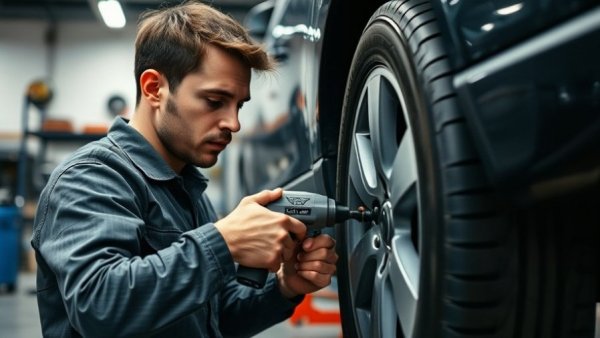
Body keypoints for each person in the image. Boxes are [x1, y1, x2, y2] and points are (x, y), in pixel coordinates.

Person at [30, 2, 338, 337]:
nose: (233, 123)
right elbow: (101, 306)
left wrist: (284, 287)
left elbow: (216, 317)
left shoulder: (187, 189)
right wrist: (224, 241)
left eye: (239, 105)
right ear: (154, 88)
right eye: (214, 101)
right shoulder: (92, 177)